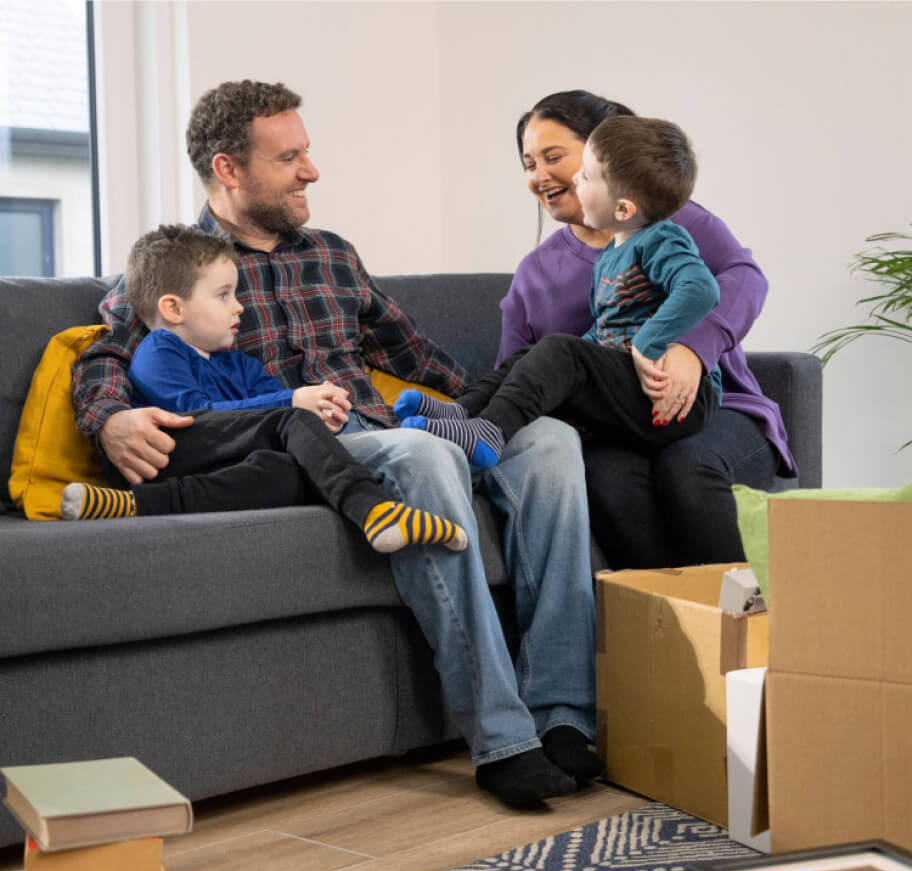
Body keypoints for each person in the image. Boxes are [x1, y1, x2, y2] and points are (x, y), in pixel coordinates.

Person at [71, 80, 602, 808]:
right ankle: (504, 739)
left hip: (387, 427)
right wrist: (110, 418)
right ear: (228, 169)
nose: (311, 171)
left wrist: (499, 408)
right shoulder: (185, 268)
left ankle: (564, 713)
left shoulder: (332, 255)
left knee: (549, 441)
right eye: (289, 158)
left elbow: (421, 359)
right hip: (314, 447)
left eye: (306, 152)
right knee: (426, 455)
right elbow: (103, 352)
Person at [500, 90, 797, 569]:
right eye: (528, 164)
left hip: (718, 413)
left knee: (687, 470)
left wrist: (691, 349)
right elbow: (515, 371)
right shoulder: (534, 274)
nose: (539, 176)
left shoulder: (671, 221)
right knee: (608, 484)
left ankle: (745, 614)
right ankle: (667, 613)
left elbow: (745, 279)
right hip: (615, 434)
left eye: (553, 157)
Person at [61, 224, 467, 555]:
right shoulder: (159, 350)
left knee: (293, 470)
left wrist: (318, 416)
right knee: (292, 419)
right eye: (223, 296)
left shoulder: (237, 362)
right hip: (175, 448)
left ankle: (134, 506)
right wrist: (295, 402)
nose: (238, 306)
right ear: (173, 308)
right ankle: (373, 510)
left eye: (235, 294)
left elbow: (273, 412)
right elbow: (195, 414)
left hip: (216, 468)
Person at [395, 115, 721, 470]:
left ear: (623, 209)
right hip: (629, 389)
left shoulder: (660, 238)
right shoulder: (610, 256)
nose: (576, 179)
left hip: (674, 398)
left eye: (588, 177)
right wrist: (563, 363)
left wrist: (648, 342)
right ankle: (464, 410)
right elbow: (604, 331)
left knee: (559, 350)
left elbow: (701, 288)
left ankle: (491, 432)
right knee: (533, 355)